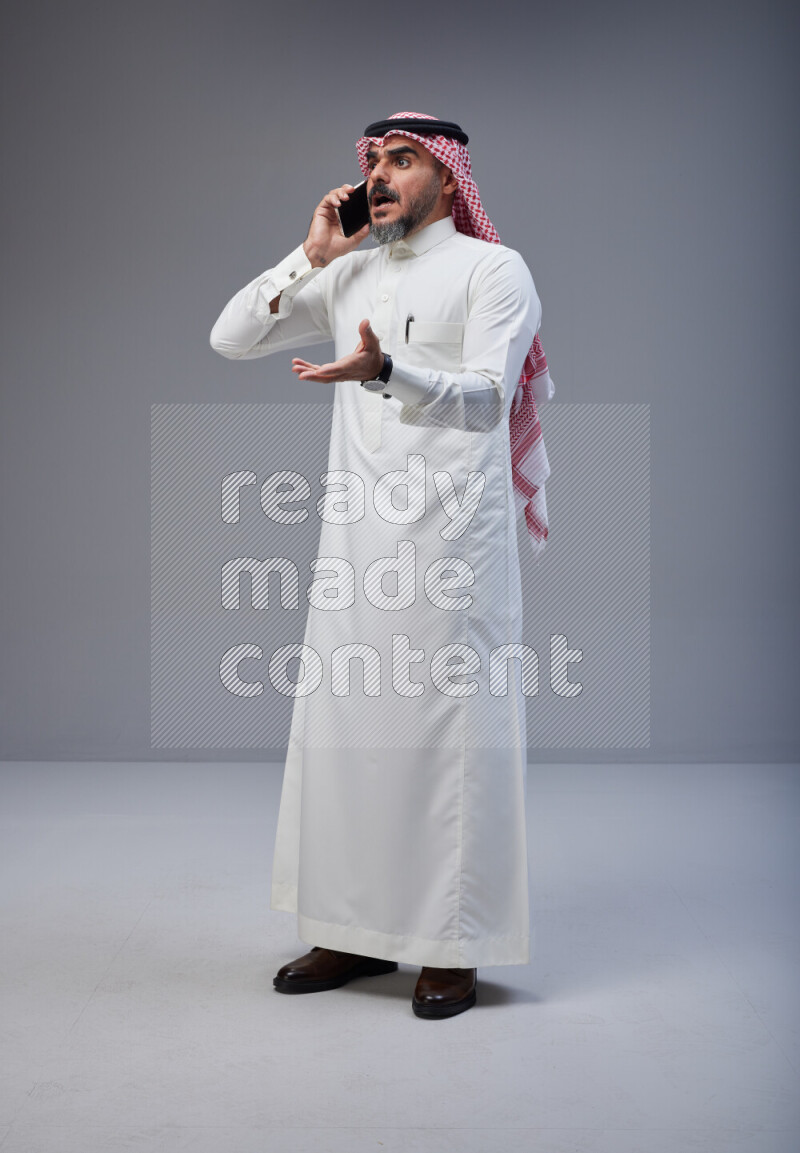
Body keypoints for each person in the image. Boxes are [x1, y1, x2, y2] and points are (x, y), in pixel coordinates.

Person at [210, 112, 554, 1019]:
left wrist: (384, 368)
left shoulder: (493, 270)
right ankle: (352, 930)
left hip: (452, 545)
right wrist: (311, 255)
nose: (383, 176)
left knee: (449, 742)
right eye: (373, 163)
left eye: (404, 160)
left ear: (448, 175)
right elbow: (231, 337)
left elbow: (487, 398)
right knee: (349, 734)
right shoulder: (352, 268)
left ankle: (452, 945)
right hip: (356, 548)